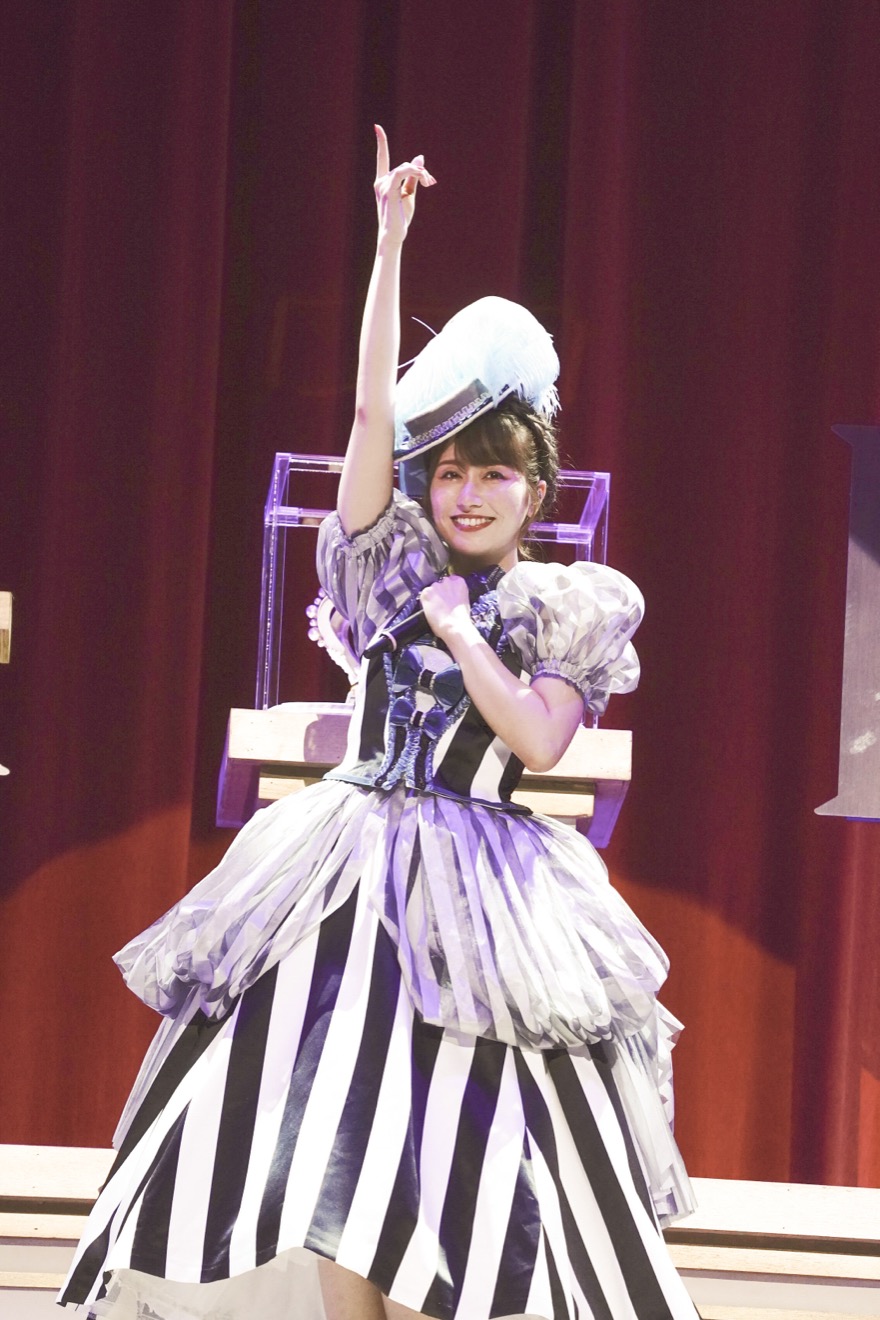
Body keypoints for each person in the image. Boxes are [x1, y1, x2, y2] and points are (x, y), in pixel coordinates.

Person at [59, 128, 696, 1320]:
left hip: (490, 884)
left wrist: (462, 633)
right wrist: (389, 245)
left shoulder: (568, 604)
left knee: (463, 1133)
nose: (466, 493)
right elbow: (365, 420)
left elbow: (539, 743)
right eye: (449, 472)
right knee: (332, 1118)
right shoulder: (388, 564)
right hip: (346, 863)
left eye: (492, 475)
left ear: (534, 489)